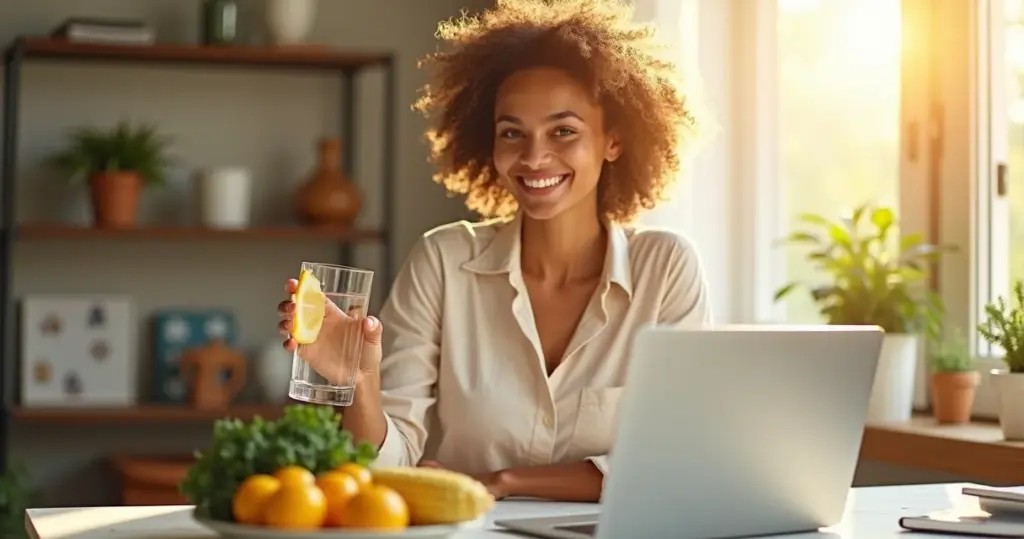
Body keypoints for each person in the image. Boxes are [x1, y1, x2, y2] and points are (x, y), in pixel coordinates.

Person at [277, 0, 710, 503]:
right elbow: (388, 464)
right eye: (512, 133)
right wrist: (360, 379)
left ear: (612, 140)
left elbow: (678, 455)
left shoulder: (666, 269)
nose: (533, 157)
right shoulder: (443, 260)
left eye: (563, 131)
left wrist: (502, 482)